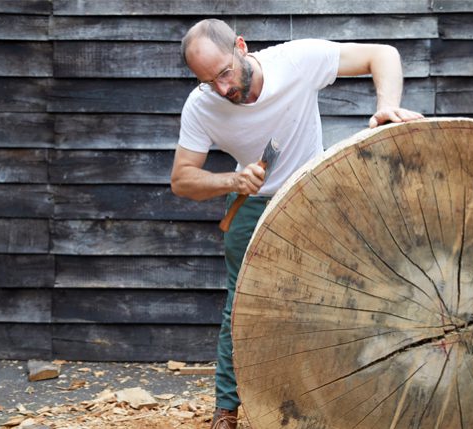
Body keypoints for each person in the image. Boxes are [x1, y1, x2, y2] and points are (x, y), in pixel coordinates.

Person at [171, 18, 424, 429]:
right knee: (242, 307)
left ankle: (347, 400)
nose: (222, 89)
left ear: (240, 46)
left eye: (224, 73)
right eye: (207, 81)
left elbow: (384, 55)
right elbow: (182, 179)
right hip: (253, 205)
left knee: (343, 299)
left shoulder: (296, 60)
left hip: (317, 196)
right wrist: (232, 180)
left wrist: (386, 105)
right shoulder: (202, 105)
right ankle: (226, 410)